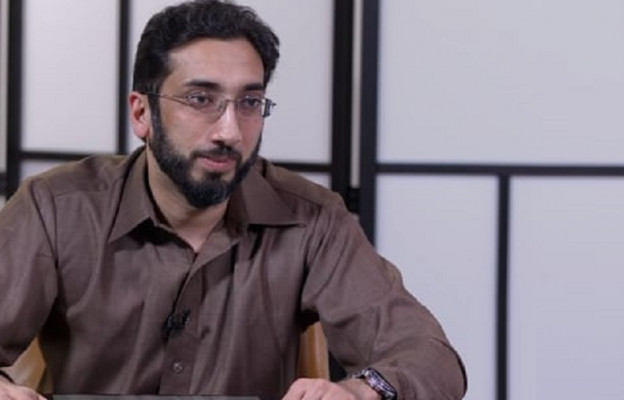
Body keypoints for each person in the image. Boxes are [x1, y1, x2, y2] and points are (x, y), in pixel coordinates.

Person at [0, 1, 467, 399]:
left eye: (249, 103)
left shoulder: (313, 219)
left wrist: (360, 391)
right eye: (201, 99)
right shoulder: (55, 208)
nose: (230, 131)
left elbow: (430, 358)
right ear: (142, 113)